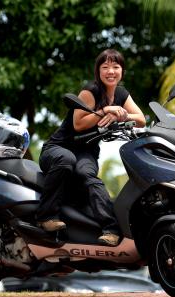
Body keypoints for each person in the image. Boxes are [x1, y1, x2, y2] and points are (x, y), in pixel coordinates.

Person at [36, 49, 146, 246]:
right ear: (98, 71)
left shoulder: (121, 94)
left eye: (116, 66)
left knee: (88, 175)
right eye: (105, 67)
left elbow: (141, 120)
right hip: (58, 148)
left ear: (122, 71)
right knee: (66, 160)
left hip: (86, 152)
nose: (110, 71)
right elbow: (79, 124)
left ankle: (111, 230)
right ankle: (46, 217)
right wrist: (105, 110)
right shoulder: (90, 92)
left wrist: (120, 114)